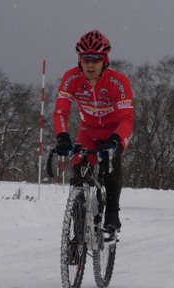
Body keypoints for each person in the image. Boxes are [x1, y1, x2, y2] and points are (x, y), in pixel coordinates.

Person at [53, 30, 134, 234]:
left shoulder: (119, 82)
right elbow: (61, 111)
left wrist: (116, 139)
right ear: (79, 60)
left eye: (95, 60)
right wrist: (62, 136)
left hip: (114, 130)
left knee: (111, 162)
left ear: (104, 60)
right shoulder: (71, 78)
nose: (89, 64)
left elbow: (126, 118)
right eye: (85, 59)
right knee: (79, 169)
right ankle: (78, 232)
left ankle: (112, 213)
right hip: (88, 129)